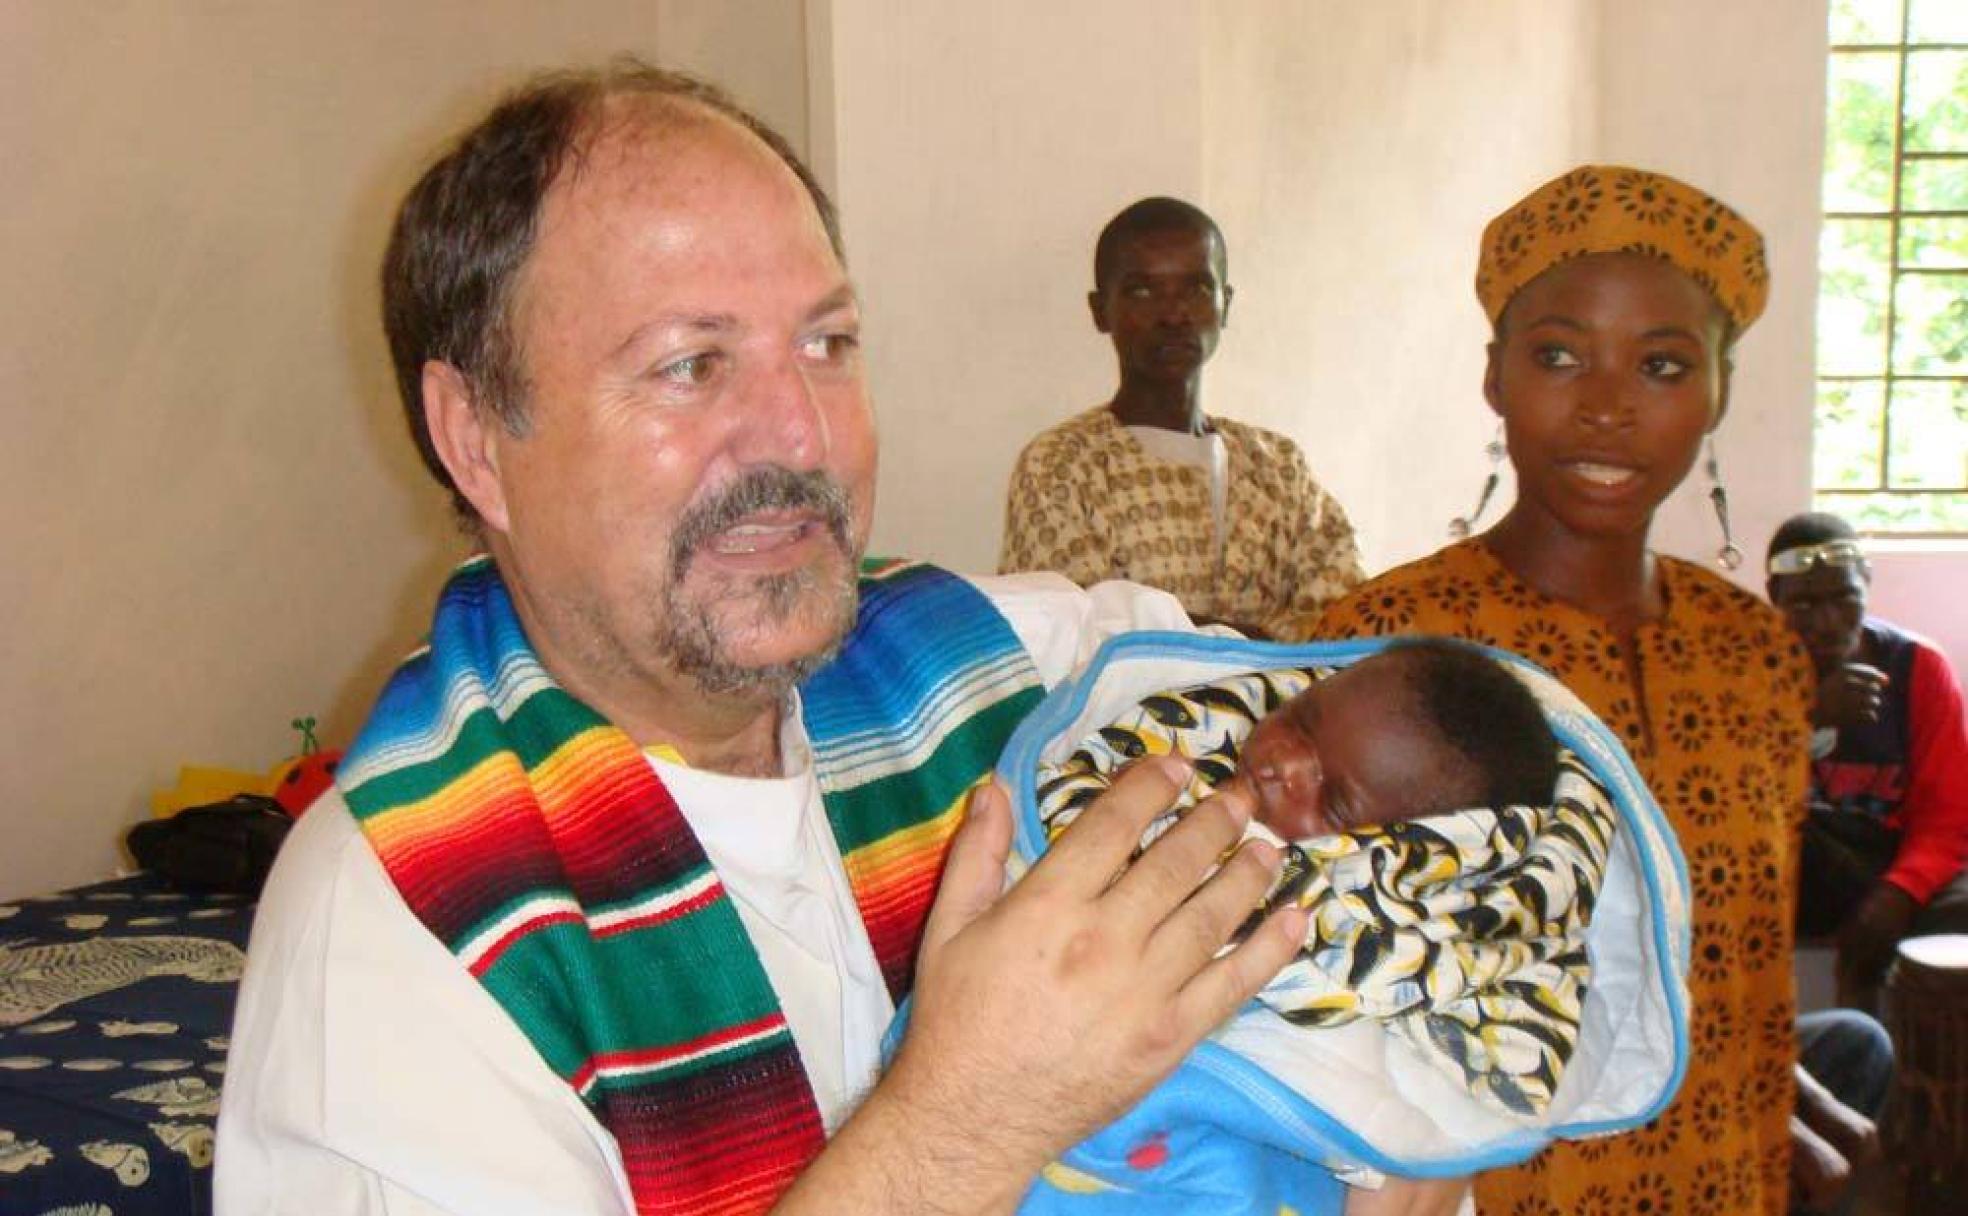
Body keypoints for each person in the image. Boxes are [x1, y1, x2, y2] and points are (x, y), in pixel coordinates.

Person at [212, 64, 1467, 1216]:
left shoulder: (1018, 665)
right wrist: (969, 1117)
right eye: (691, 363)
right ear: (477, 433)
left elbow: (1462, 785)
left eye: (830, 343)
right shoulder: (395, 937)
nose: (802, 436)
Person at [1303, 164, 1850, 1216]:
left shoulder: (1758, 655)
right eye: (1558, 355)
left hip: (1722, 1178)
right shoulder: (1380, 645)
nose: (1606, 407)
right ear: (1494, 377)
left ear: (1718, 391)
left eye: (1661, 365)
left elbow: (1749, 981)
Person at [993, 633, 1689, 1213]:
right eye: (1299, 721)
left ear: (1402, 866)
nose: (1279, 767)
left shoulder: (1400, 955)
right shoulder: (1169, 762)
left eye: (1333, 803)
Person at [999, 197, 1363, 637]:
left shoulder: (1281, 467)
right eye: (1142, 291)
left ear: (1225, 304)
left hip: (1288, 706)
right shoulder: (1061, 465)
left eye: (1197, 289)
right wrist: (1263, 639)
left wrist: (1165, 626)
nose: (1173, 314)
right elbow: (1078, 631)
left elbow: (1341, 622)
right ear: (1100, 311)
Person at [1766, 511, 1968, 1008]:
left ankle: (1927, 1075)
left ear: (1867, 586)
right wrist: (1806, 718)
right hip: (1790, 861)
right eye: (1805, 604)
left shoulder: (1917, 667)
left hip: (1889, 860)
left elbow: (1947, 816)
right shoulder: (1747, 669)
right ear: (1774, 598)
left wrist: (1897, 894)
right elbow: (1724, 797)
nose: (1827, 622)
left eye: (1844, 599)